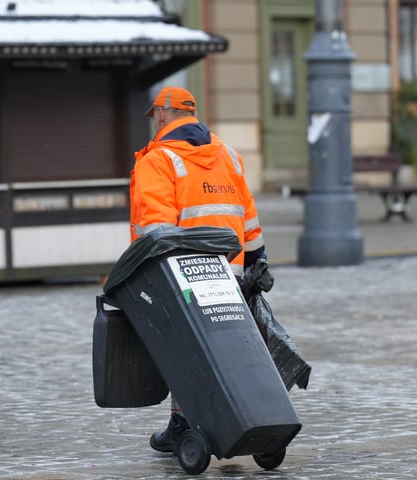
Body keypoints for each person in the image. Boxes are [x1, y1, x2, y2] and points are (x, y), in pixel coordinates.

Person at [130, 86, 267, 453]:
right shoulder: (228, 155)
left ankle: (183, 426)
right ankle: (244, 415)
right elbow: (248, 218)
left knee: (183, 351)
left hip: (182, 277)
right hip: (230, 274)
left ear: (161, 115)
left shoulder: (157, 161)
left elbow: (155, 231)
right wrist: (258, 261)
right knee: (224, 349)